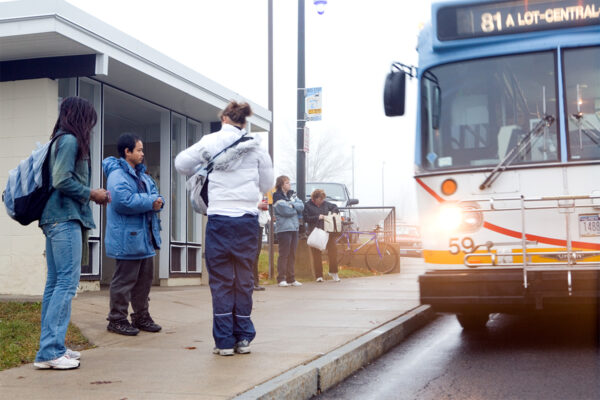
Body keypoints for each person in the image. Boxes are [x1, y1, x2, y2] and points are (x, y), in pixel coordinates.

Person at [174, 100, 273, 356]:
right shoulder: (257, 148)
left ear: (225, 119)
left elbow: (181, 164)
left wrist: (205, 166)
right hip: (247, 221)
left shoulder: (210, 141)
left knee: (220, 280)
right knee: (244, 278)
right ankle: (243, 338)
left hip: (219, 219)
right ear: (244, 122)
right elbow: (267, 183)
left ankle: (224, 341)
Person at [34, 97, 110, 370]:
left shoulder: (59, 139)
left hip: (56, 219)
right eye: (89, 120)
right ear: (81, 118)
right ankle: (49, 352)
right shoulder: (69, 141)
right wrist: (92, 193)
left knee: (55, 284)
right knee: (65, 284)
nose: (90, 127)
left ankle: (51, 347)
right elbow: (61, 179)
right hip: (65, 218)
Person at [103, 133, 164, 336]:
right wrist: (150, 201)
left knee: (144, 281)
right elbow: (122, 201)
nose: (142, 153)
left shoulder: (142, 175)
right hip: (127, 238)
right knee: (124, 281)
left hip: (144, 237)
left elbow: (156, 194)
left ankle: (141, 316)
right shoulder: (117, 175)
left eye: (142, 149)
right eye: (138, 150)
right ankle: (117, 319)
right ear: (127, 152)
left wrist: (157, 201)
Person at [303, 189, 341, 282]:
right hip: (315, 232)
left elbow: (335, 207)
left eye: (323, 199)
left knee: (333, 252)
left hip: (328, 232)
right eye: (320, 199)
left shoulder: (326, 204)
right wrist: (317, 217)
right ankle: (319, 276)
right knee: (316, 255)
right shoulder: (307, 206)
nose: (322, 201)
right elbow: (306, 218)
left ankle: (334, 272)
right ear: (315, 198)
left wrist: (335, 212)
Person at [273, 175, 304, 287]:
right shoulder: (277, 196)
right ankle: (281, 278)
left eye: (289, 182)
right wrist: (294, 208)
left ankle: (291, 278)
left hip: (294, 228)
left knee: (292, 254)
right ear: (281, 184)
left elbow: (301, 205)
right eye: (287, 183)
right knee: (284, 254)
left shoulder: (292, 194)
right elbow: (285, 211)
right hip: (284, 229)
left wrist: (292, 205)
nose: (289, 185)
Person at [253, 197, 269, 291]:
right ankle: (251, 282)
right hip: (251, 224)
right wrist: (257, 206)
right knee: (252, 254)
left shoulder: (260, 192)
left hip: (260, 225)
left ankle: (255, 282)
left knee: (256, 254)